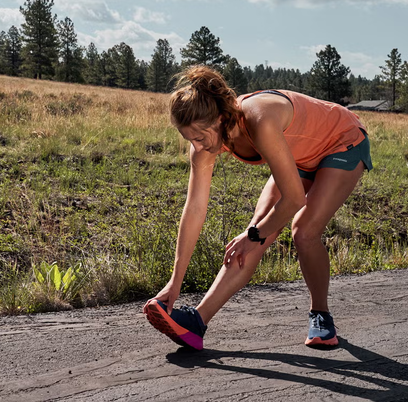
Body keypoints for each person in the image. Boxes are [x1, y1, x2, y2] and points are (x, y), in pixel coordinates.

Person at [143, 65, 372, 350]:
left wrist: (254, 235)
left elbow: (294, 200)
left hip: (342, 141)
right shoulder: (203, 144)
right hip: (301, 155)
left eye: (200, 137)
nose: (197, 146)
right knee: (259, 228)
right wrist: (175, 282)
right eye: (190, 139)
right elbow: (194, 210)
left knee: (302, 230)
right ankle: (196, 323)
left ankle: (321, 316)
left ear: (223, 119)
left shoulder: (260, 120)